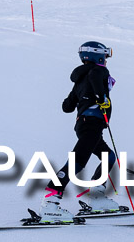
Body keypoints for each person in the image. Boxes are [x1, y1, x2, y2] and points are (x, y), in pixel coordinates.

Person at [39, 41, 119, 223]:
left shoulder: (80, 78)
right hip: (91, 124)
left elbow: (67, 106)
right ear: (97, 56)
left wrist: (82, 97)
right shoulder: (98, 71)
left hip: (86, 125)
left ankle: (97, 196)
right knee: (77, 162)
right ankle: (50, 204)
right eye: (105, 57)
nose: (106, 61)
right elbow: (96, 81)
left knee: (109, 157)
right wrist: (101, 98)